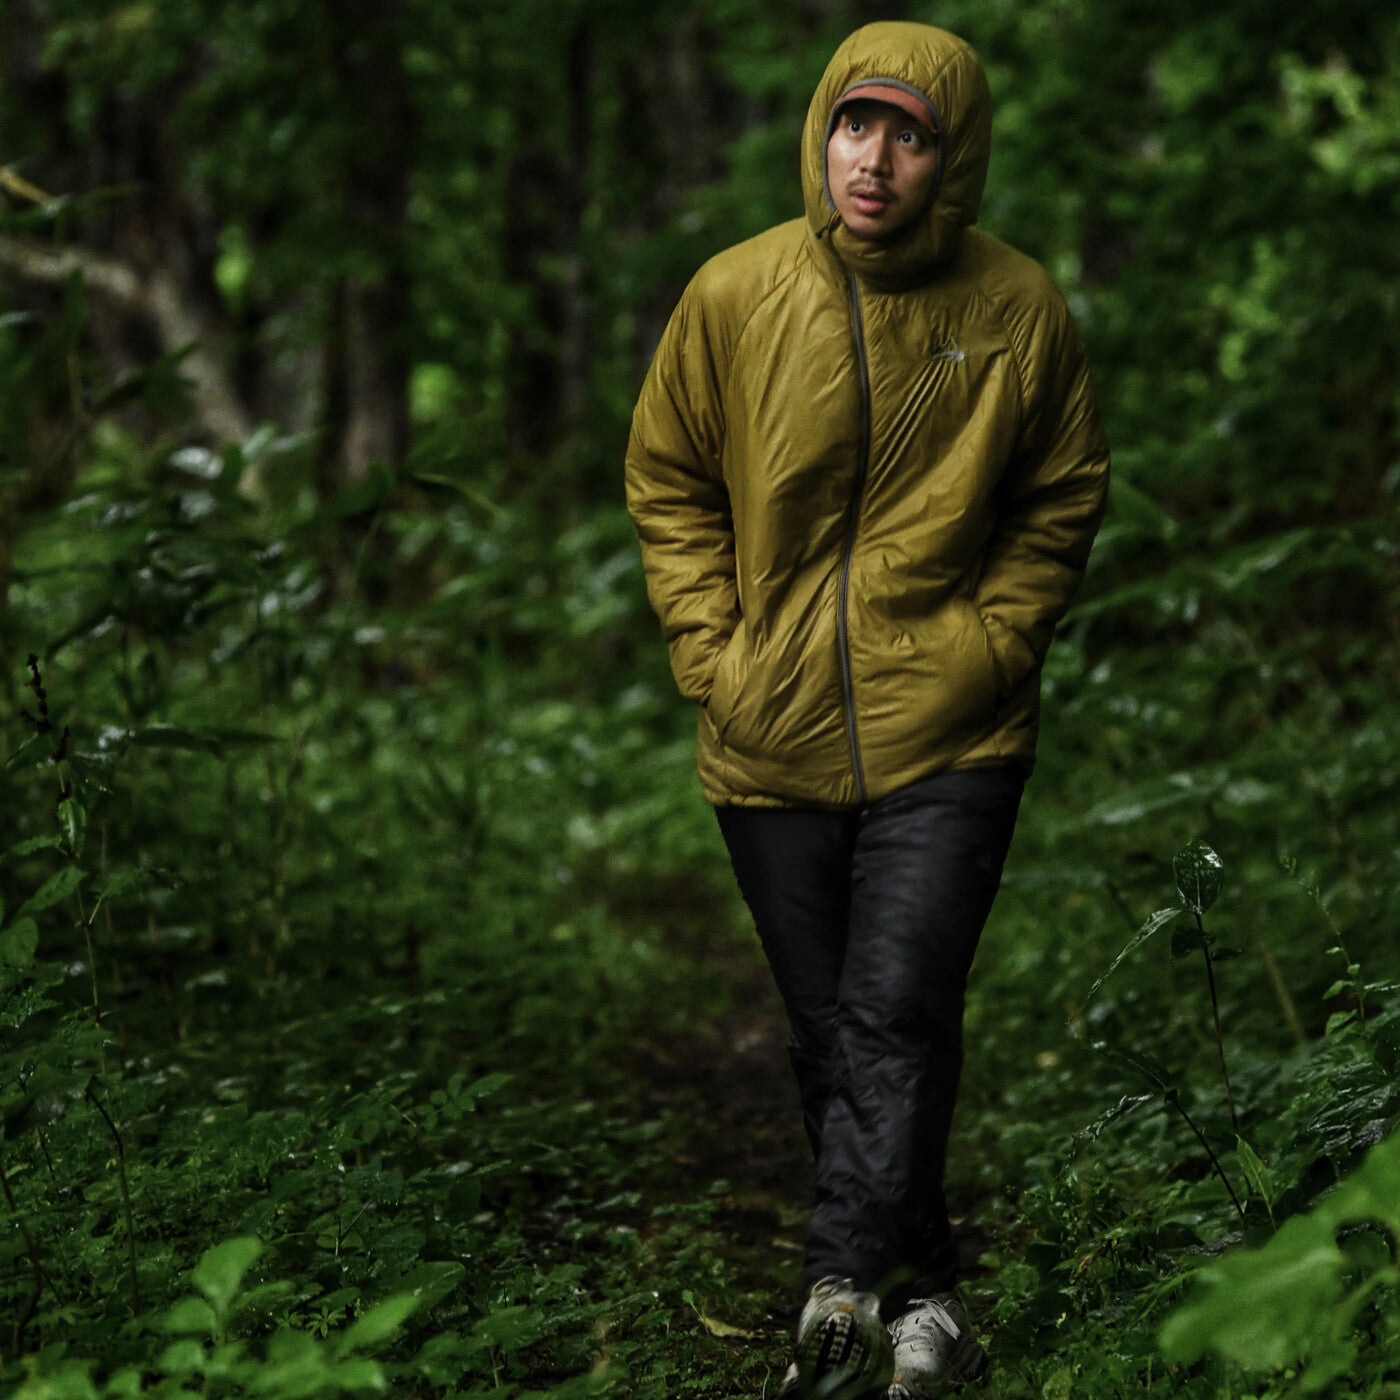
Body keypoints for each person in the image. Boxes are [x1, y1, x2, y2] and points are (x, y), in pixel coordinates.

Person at [625, 21, 1109, 1400]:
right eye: (856, 125)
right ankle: (930, 1304)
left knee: (895, 1010)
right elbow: (666, 476)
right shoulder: (735, 294)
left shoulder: (1016, 308)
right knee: (834, 1034)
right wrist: (715, 653)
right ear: (821, 133)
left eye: (909, 135)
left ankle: (835, 1296)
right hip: (766, 732)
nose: (875, 160)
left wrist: (994, 641)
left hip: (954, 732)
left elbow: (1063, 491)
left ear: (954, 157)